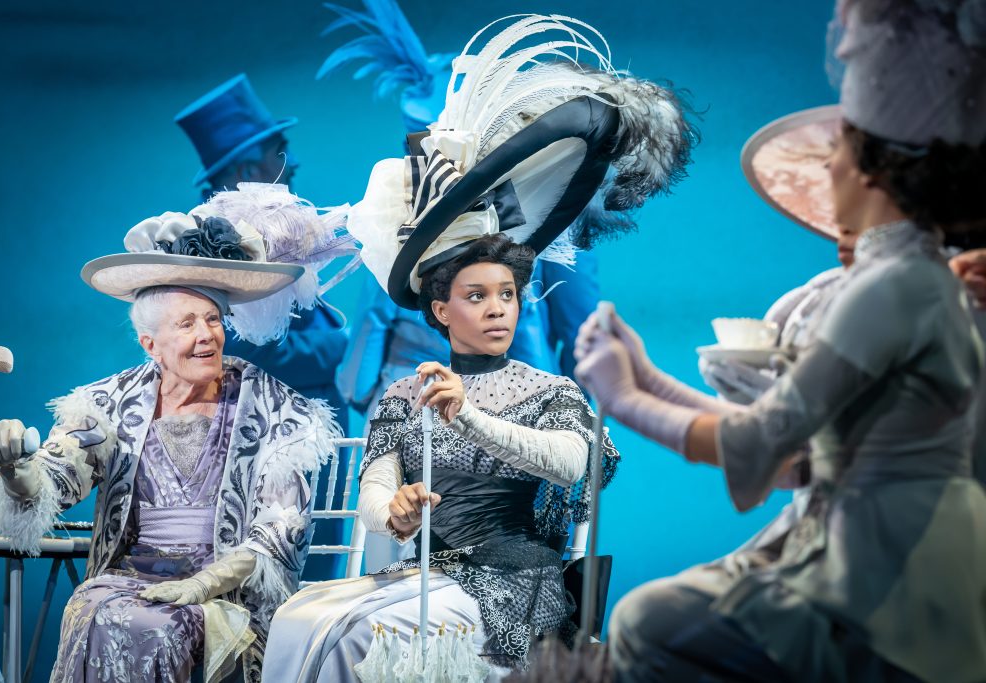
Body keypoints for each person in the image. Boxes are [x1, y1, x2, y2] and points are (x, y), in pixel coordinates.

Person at [263, 14, 699, 680]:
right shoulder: (401, 395)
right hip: (422, 567)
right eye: (476, 295)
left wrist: (469, 412)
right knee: (303, 620)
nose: (497, 307)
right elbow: (378, 483)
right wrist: (394, 507)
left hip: (513, 579)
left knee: (364, 635)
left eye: (506, 294)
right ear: (442, 306)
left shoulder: (548, 391)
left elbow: (567, 458)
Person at [574, 2, 986, 680]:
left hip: (889, 566)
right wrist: (644, 373)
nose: (825, 176)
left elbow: (759, 442)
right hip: (866, 540)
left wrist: (623, 397)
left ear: (872, 175)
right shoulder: (905, 279)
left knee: (646, 622)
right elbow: (788, 443)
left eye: (837, 158)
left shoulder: (891, 288)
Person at [0, 184, 350, 682]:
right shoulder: (108, 403)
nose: (207, 336)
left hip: (226, 593)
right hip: (126, 581)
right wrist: (16, 467)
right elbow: (54, 482)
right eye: (187, 324)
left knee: (154, 625)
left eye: (213, 320)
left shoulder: (274, 407)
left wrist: (201, 585)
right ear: (149, 343)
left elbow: (279, 531)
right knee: (95, 610)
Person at [177, 75, 354, 581]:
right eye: (280, 151)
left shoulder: (275, 232)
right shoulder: (212, 251)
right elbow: (243, 349)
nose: (291, 163)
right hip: (267, 445)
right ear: (245, 168)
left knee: (315, 588)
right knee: (272, 590)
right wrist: (344, 348)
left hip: (309, 440)